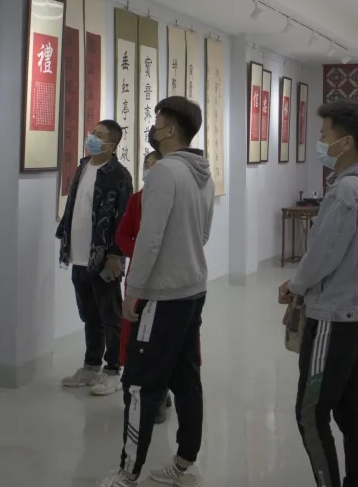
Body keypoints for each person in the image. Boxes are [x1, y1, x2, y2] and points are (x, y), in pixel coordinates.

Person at [104, 96, 213, 487]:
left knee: (139, 384)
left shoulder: (165, 172)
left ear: (170, 129)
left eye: (158, 121)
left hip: (162, 295)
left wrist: (133, 291)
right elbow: (203, 233)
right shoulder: (202, 171)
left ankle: (127, 473)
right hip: (192, 288)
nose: (154, 128)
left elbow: (149, 239)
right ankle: (183, 463)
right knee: (186, 379)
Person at [279, 100, 358, 487]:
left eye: (325, 136)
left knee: (311, 412)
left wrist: (296, 285)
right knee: (350, 408)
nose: (320, 143)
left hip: (335, 317)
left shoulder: (346, 192)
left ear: (346, 142)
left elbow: (323, 255)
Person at [57, 120, 134, 398]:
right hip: (78, 256)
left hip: (103, 259)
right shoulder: (83, 167)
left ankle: (113, 370)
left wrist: (115, 255)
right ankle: (91, 366)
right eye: (93, 133)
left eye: (99, 135)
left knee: (110, 316)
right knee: (89, 314)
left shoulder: (119, 176)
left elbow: (123, 219)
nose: (91, 137)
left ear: (111, 145)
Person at [113, 147, 172, 426]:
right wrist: (140, 252)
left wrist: (156, 253)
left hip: (165, 279)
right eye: (146, 164)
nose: (148, 169)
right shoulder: (136, 199)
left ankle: (160, 394)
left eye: (154, 164)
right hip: (138, 278)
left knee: (160, 339)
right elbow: (122, 234)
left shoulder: (173, 199)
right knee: (135, 338)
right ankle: (139, 394)